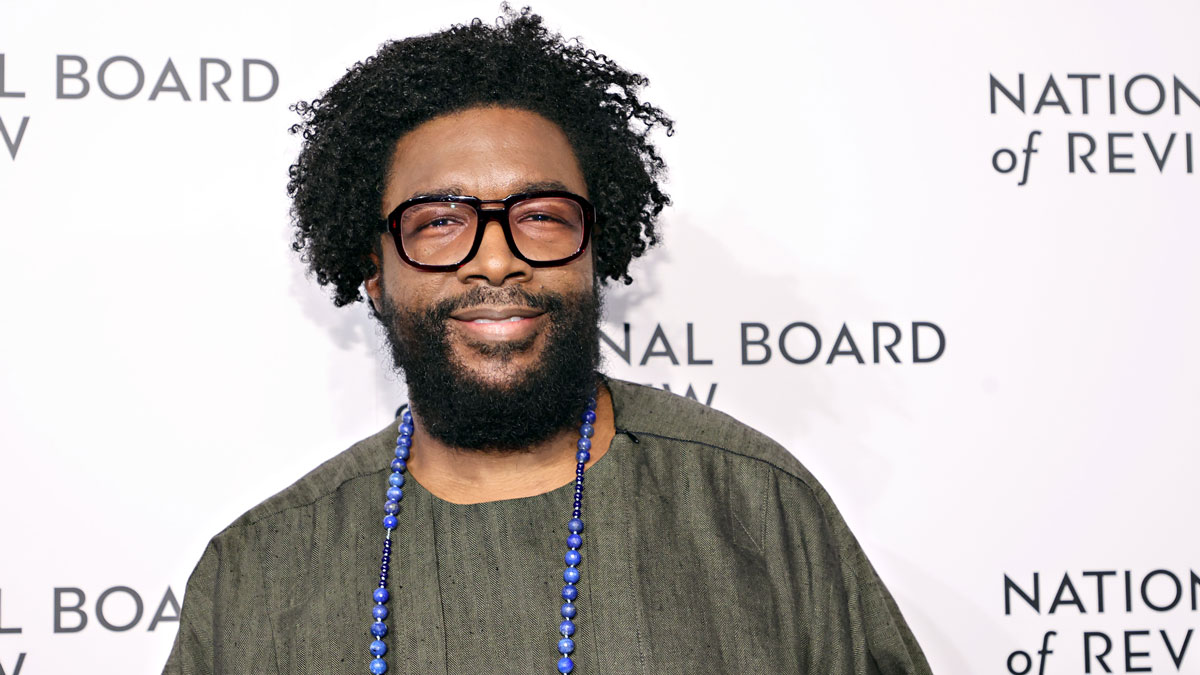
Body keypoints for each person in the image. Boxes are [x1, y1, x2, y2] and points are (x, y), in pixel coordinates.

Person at [164, 8, 932, 674]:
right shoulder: (256, 576)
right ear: (374, 271)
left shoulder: (756, 509)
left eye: (540, 215)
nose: (496, 258)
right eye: (439, 222)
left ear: (598, 249)